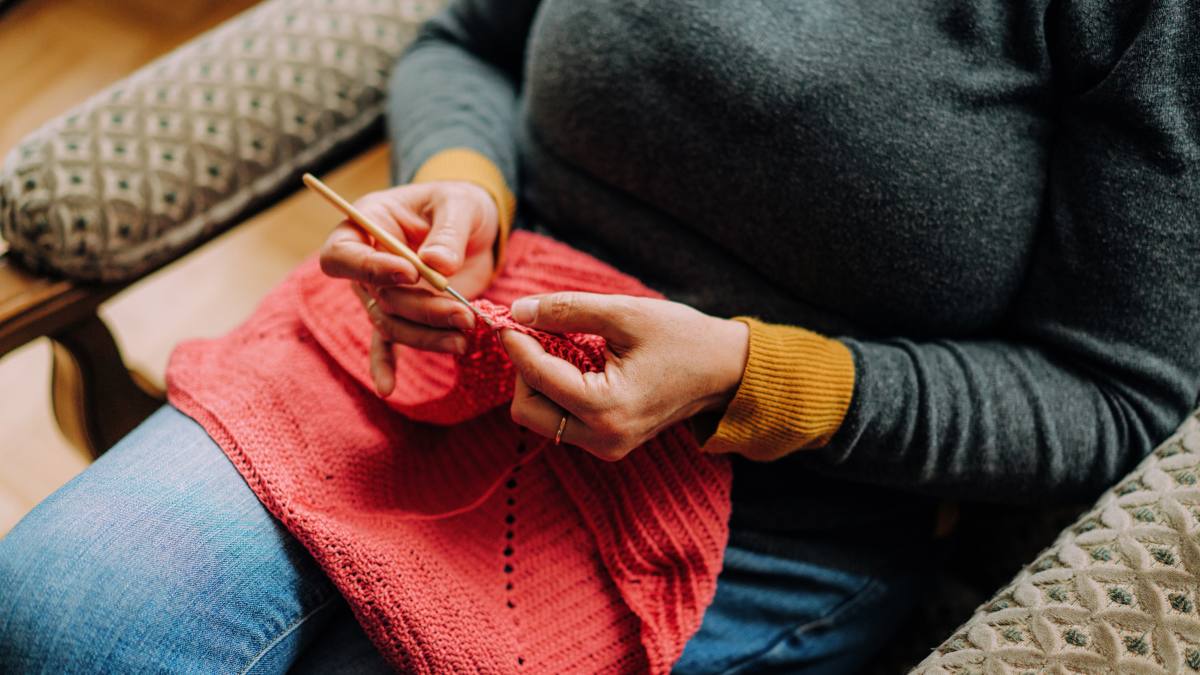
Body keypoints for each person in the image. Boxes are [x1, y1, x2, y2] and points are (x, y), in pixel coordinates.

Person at [2, 0, 1198, 672]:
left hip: (769, 508)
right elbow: (465, 41)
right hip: (432, 367)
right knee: (66, 615)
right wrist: (466, 187)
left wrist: (744, 376)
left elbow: (1112, 396)